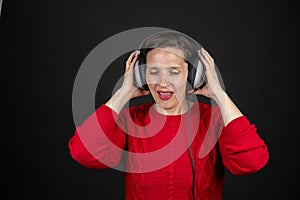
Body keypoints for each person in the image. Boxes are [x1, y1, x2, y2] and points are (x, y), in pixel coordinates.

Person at [68, 31, 269, 200]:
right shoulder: (131, 119)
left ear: (193, 76)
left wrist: (219, 94)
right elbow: (83, 153)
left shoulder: (215, 119)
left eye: (174, 72)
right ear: (141, 76)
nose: (163, 82)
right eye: (153, 72)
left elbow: (251, 162)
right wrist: (123, 93)